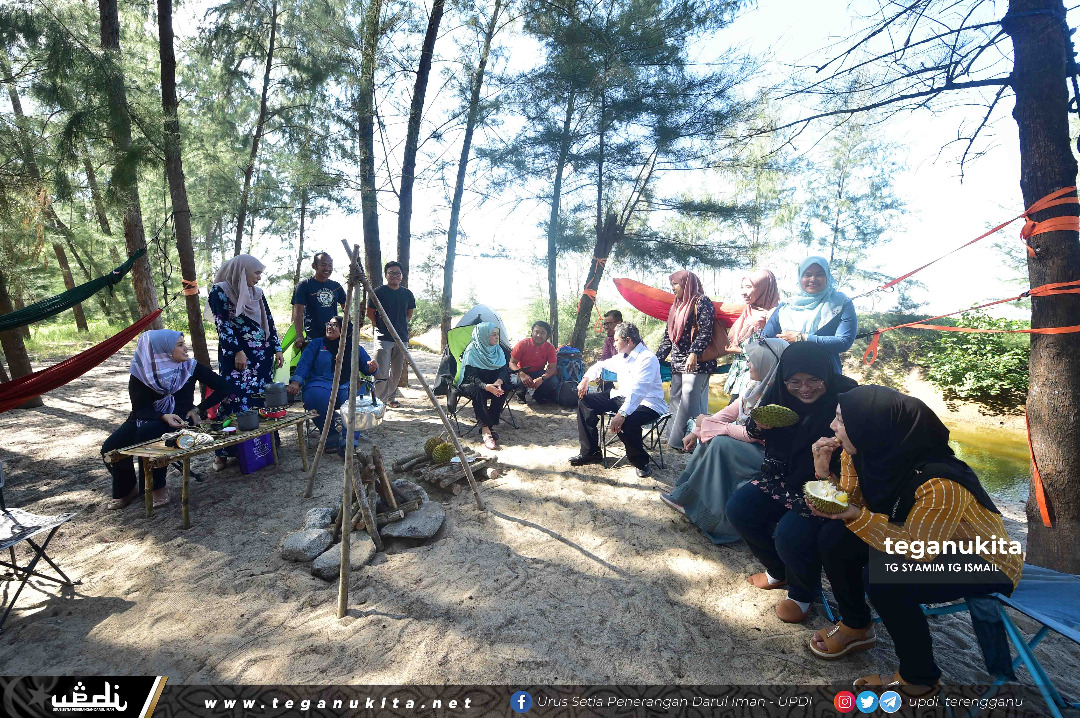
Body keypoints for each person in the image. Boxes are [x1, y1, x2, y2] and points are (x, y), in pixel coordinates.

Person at [806, 385, 1021, 690]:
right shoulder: (863, 454)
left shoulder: (940, 481)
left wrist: (854, 515)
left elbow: (919, 548)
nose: (832, 426)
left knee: (885, 577)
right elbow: (853, 503)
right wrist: (823, 473)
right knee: (834, 538)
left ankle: (919, 678)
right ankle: (856, 626)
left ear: (871, 427)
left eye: (841, 419)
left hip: (984, 559)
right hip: (923, 538)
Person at [725, 342, 858, 623]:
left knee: (790, 532)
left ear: (827, 375)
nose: (804, 388)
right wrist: (760, 426)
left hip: (829, 484)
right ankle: (778, 571)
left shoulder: (846, 400)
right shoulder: (777, 395)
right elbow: (752, 427)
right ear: (784, 379)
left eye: (813, 380)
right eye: (795, 381)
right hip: (781, 475)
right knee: (739, 508)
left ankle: (802, 592)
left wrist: (827, 463)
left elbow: (859, 456)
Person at [660, 338, 788, 544]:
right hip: (751, 446)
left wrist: (711, 427)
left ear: (767, 363)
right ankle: (685, 497)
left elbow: (752, 434)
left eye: (753, 361)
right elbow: (729, 412)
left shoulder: (777, 396)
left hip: (769, 454)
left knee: (720, 442)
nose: (748, 364)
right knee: (710, 437)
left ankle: (710, 516)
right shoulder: (755, 386)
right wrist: (699, 429)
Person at [101, 330, 237, 509]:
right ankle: (127, 489)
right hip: (146, 416)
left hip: (179, 418)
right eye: (180, 345)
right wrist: (162, 416)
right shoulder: (142, 371)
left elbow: (224, 387)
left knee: (147, 433)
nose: (185, 348)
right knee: (111, 447)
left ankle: (157, 487)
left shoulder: (189, 366)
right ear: (161, 351)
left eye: (184, 343)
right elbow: (140, 408)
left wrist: (199, 409)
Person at [208, 254, 284, 470]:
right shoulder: (220, 291)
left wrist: (276, 349)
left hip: (261, 359)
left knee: (259, 401)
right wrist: (236, 351)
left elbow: (268, 321)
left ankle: (260, 448)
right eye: (256, 273)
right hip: (237, 359)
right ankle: (223, 453)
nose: (259, 278)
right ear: (242, 271)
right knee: (233, 400)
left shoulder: (257, 293)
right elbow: (222, 325)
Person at [571, 322, 668, 478]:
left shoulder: (647, 358)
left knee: (627, 420)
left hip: (648, 403)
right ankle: (591, 452)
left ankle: (640, 461)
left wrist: (622, 413)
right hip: (622, 397)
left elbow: (639, 390)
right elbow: (600, 365)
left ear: (628, 340)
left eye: (616, 340)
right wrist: (586, 378)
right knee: (585, 401)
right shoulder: (622, 357)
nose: (614, 344)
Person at [287, 316, 378, 452]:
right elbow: (303, 365)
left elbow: (367, 367)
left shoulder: (354, 347)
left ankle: (350, 440)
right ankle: (330, 435)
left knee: (357, 397)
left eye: (335, 325)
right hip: (320, 383)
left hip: (347, 384)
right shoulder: (316, 344)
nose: (329, 327)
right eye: (328, 324)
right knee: (315, 396)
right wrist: (295, 382)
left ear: (345, 329)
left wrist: (372, 367)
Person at [762, 256, 856, 376]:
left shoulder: (841, 303)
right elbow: (765, 339)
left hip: (825, 376)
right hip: (788, 376)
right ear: (800, 277)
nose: (813, 279)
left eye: (820, 274)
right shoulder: (786, 306)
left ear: (827, 276)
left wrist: (803, 338)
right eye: (807, 274)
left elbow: (844, 342)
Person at [656, 270, 716, 452]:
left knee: (690, 397)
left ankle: (685, 440)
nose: (673, 288)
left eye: (675, 284)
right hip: (677, 359)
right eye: (671, 285)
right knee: (675, 398)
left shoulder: (702, 301)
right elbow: (669, 336)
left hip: (697, 360)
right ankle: (673, 437)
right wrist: (656, 358)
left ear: (687, 284)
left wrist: (694, 353)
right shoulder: (675, 306)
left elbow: (707, 330)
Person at [723, 269, 780, 399]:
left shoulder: (773, 314)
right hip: (739, 372)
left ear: (762, 288)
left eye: (749, 287)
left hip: (755, 376)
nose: (743, 292)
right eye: (742, 287)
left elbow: (770, 351)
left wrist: (741, 351)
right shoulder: (747, 311)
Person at [367, 261, 415, 408]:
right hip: (383, 337)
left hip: (402, 337)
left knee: (396, 370)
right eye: (391, 273)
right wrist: (380, 325)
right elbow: (370, 313)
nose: (395, 276)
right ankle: (380, 400)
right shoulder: (378, 292)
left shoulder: (407, 294)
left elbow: (409, 314)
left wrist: (399, 324)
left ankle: (391, 397)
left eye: (398, 273)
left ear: (402, 276)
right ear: (386, 275)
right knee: (381, 369)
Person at [457, 322, 512, 450]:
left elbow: (504, 370)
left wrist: (499, 382)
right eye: (493, 335)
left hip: (493, 382)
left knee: (503, 388)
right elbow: (471, 376)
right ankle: (486, 430)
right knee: (478, 392)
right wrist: (485, 386)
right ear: (483, 336)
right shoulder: (472, 350)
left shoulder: (499, 349)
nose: (496, 337)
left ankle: (489, 423)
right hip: (472, 383)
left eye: (497, 334)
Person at [291, 252, 347, 351]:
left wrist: (347, 331)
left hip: (333, 335)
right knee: (313, 364)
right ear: (314, 266)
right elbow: (297, 313)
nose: (327, 268)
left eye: (330, 265)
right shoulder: (304, 285)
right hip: (312, 337)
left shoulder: (336, 286)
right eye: (323, 265)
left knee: (333, 364)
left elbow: (346, 310)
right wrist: (300, 336)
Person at [509, 320, 558, 404]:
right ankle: (520, 394)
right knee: (519, 381)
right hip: (521, 372)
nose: (539, 335)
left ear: (547, 336)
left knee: (553, 381)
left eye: (542, 333)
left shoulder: (550, 348)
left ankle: (538, 395)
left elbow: (552, 367)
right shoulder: (522, 344)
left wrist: (542, 378)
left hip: (538, 372)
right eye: (536, 332)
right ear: (532, 332)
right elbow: (512, 363)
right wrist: (522, 374)